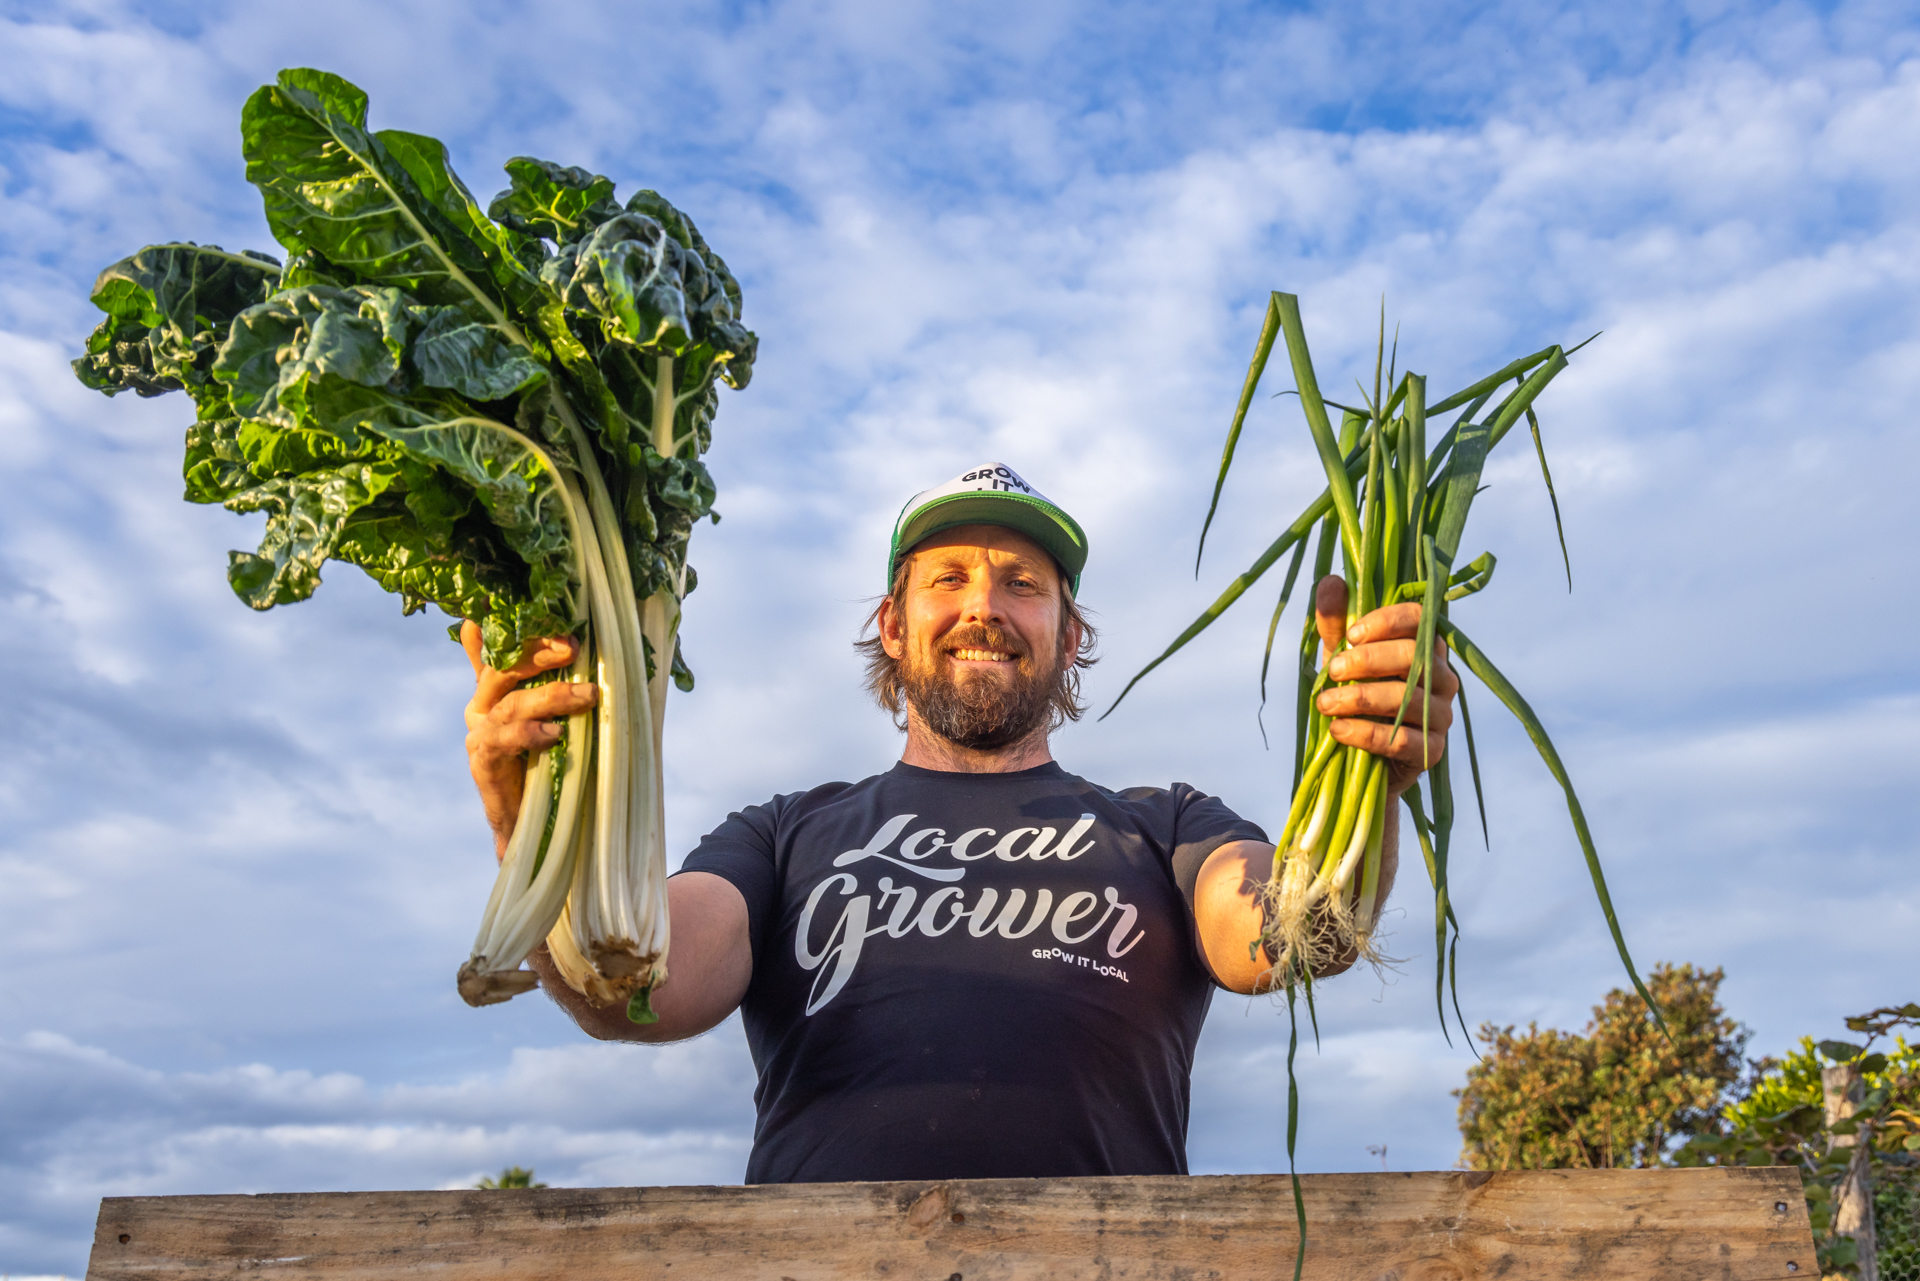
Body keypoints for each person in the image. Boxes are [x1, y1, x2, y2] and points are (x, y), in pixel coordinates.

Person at [460, 463, 1457, 1183]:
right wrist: (526, 821)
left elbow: (1293, 932)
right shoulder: (780, 837)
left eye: (1025, 586)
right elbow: (636, 987)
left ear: (1071, 637)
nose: (985, 606)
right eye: (948, 580)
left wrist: (1373, 764)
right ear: (893, 627)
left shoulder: (1168, 828)